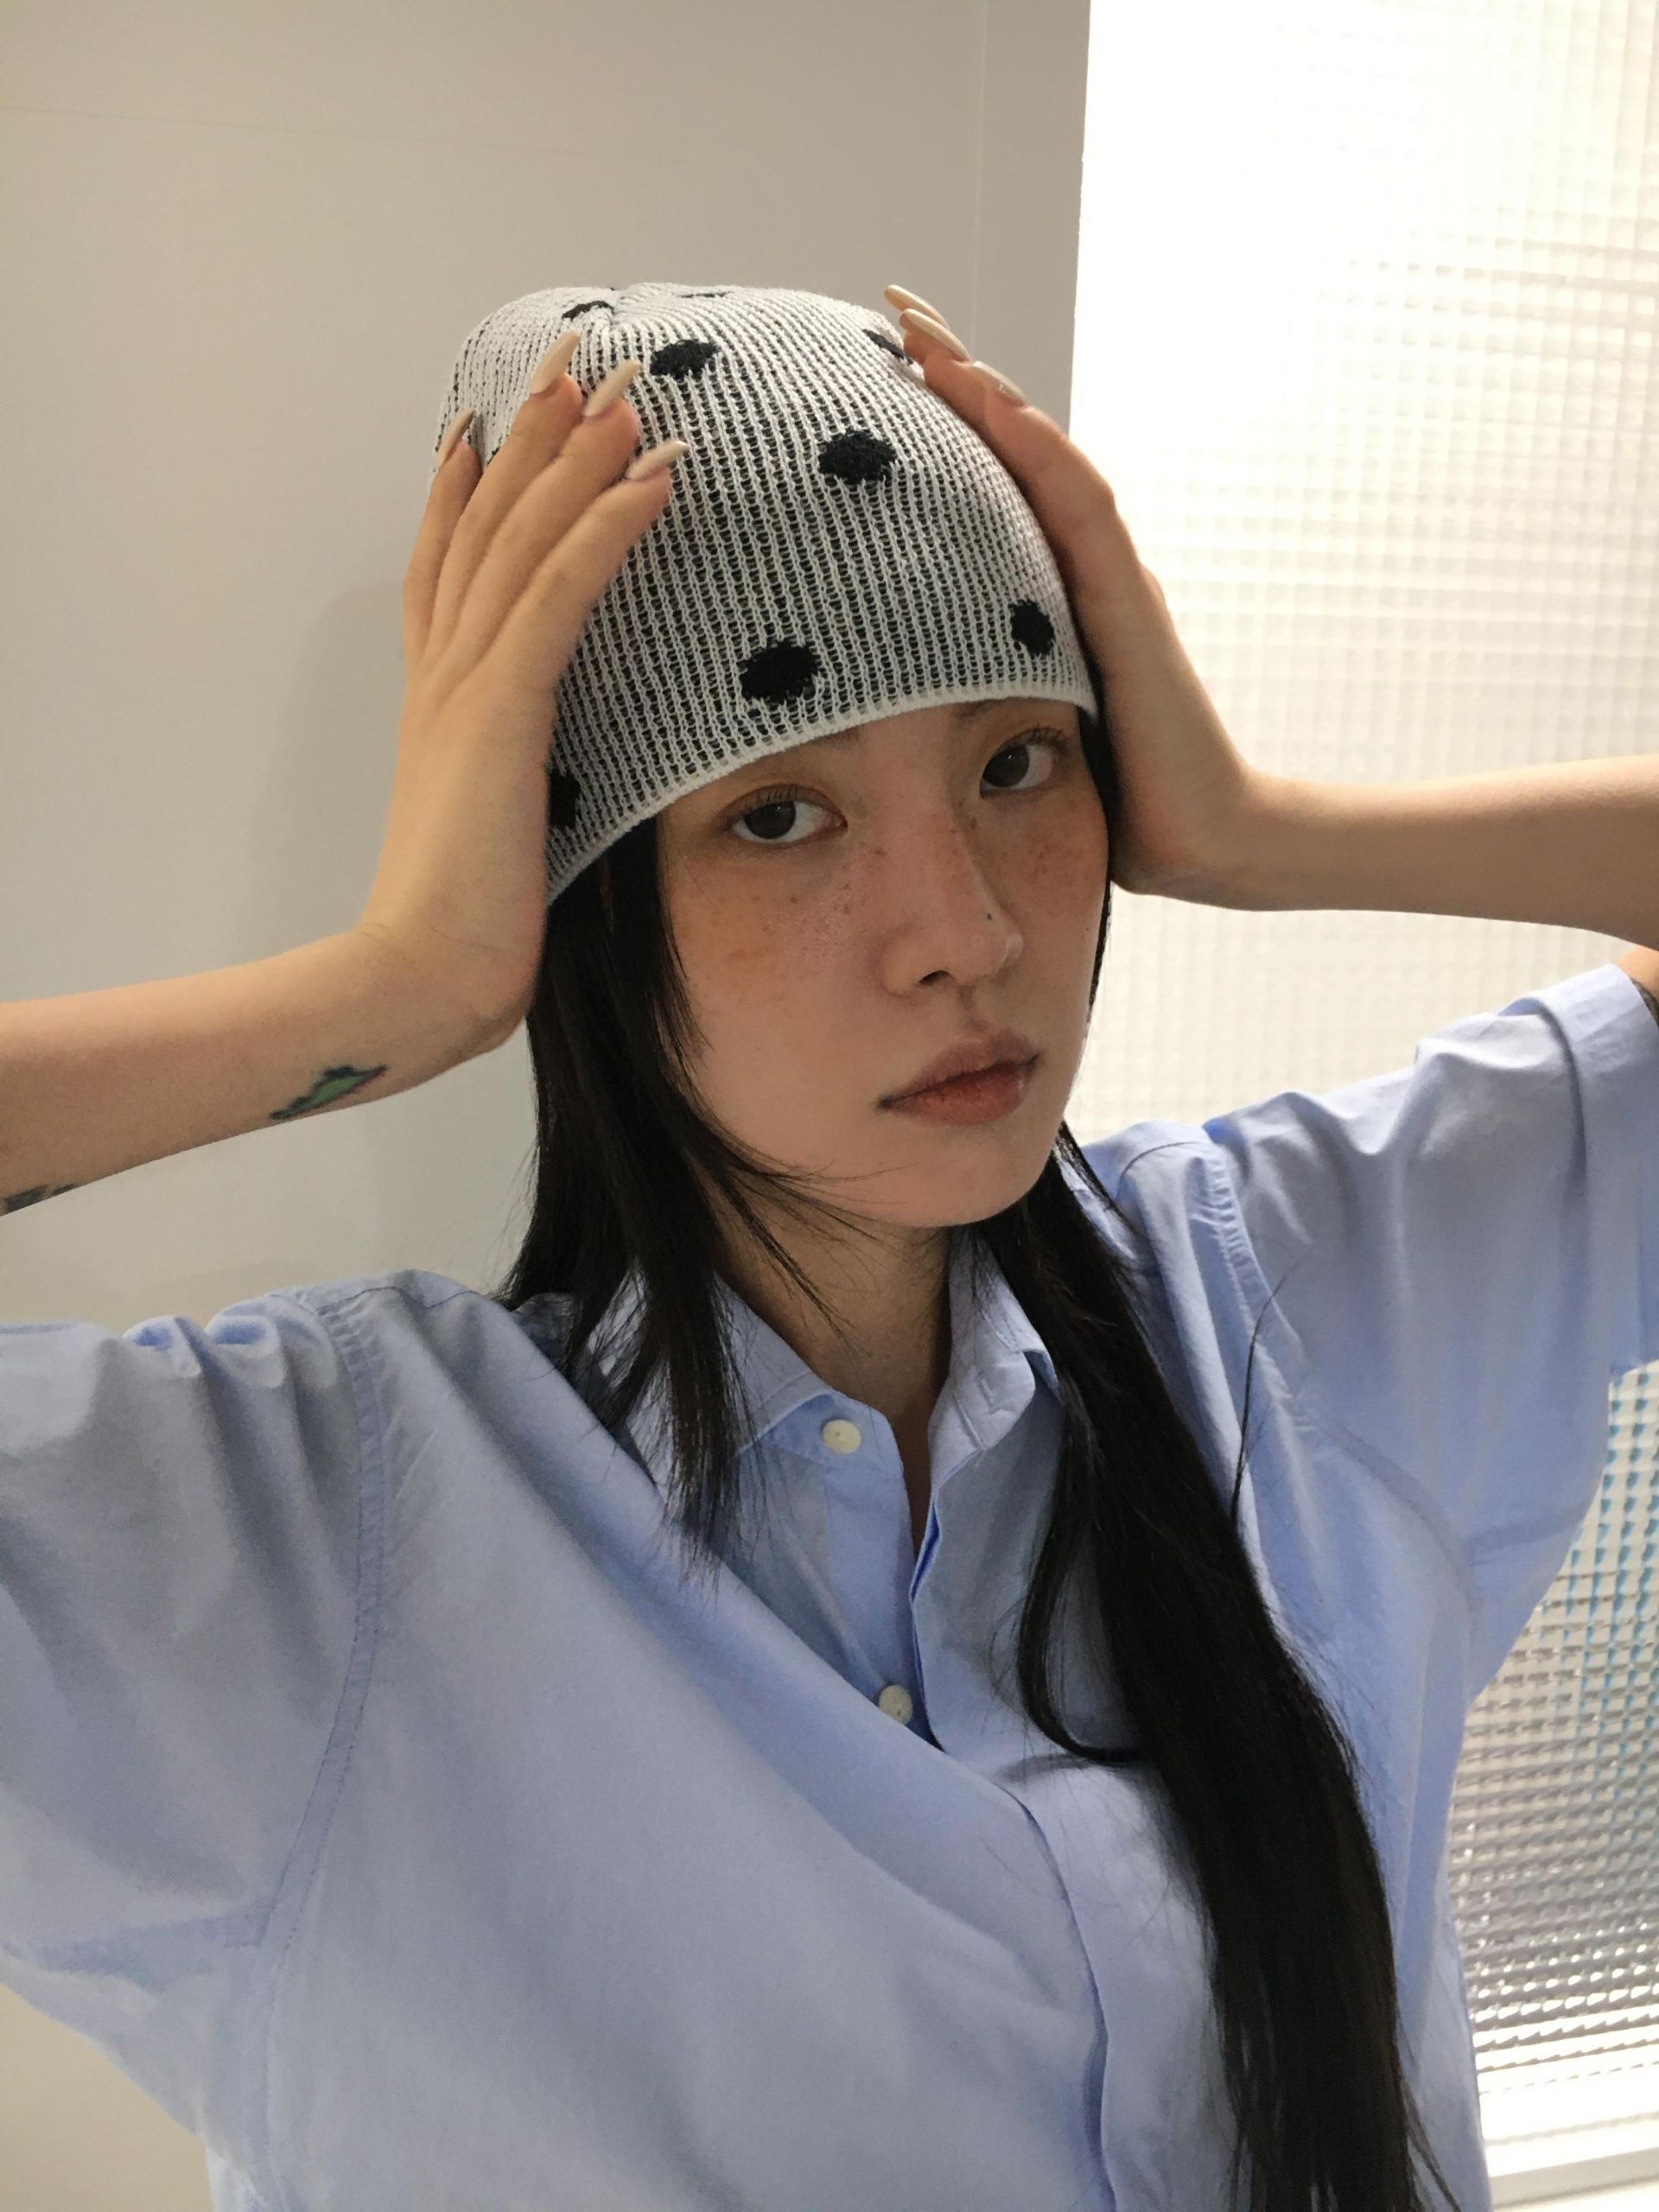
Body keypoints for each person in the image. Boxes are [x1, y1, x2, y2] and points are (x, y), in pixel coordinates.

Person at [2, 280, 1656, 2212]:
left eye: (1017, 762)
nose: (964, 928)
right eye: (778, 812)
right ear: (583, 902)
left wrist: (1260, 827)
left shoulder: (1304, 1286)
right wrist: (396, 983)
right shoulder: (293, 1556)